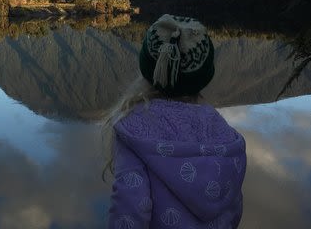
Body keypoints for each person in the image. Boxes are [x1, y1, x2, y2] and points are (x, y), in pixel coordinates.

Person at [103, 14, 247, 229]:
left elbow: (130, 213)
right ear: (205, 75)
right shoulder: (225, 135)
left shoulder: (135, 130)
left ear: (149, 68)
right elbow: (233, 211)